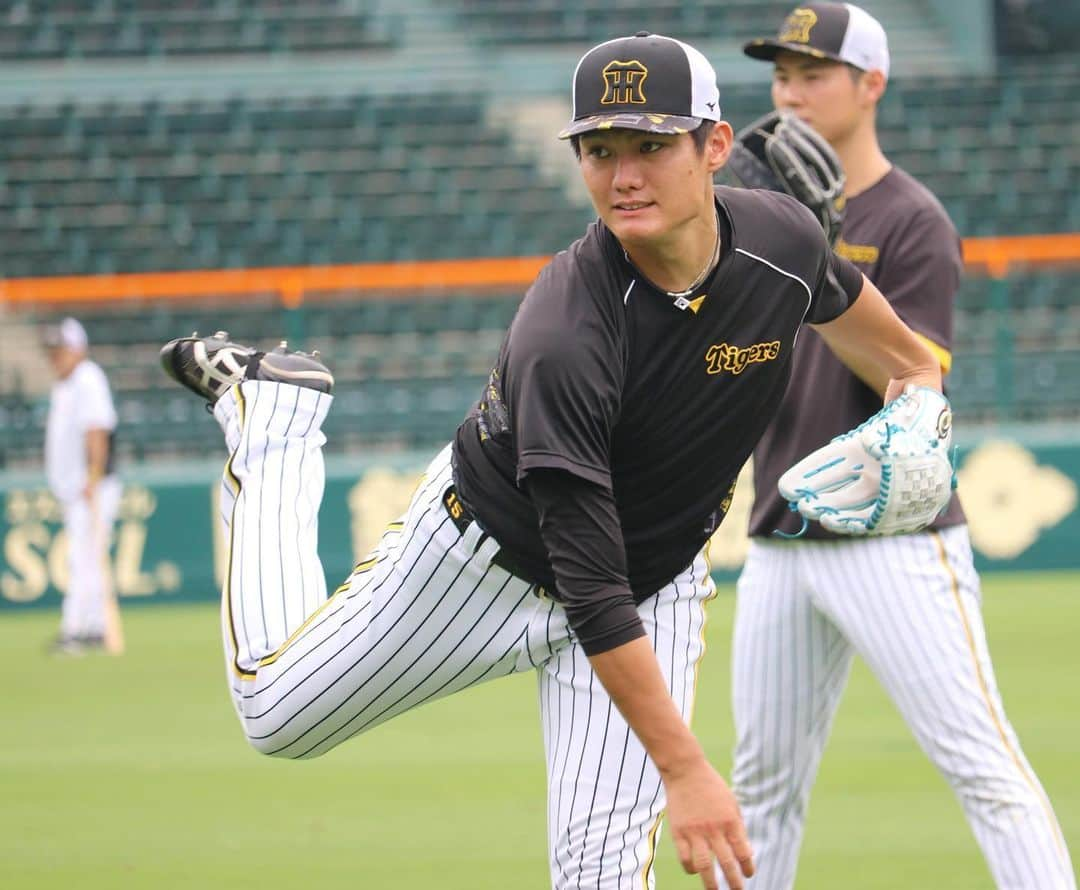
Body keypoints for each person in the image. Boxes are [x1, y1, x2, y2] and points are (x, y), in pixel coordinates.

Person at [160, 32, 946, 890]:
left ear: (715, 147)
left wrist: (920, 412)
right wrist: (685, 771)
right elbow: (591, 585)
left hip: (653, 581)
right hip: (479, 564)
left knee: (601, 878)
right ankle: (276, 414)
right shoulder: (566, 329)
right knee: (276, 717)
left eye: (651, 146)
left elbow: (904, 361)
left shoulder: (783, 244)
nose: (624, 176)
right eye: (600, 150)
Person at [731, 5, 1077, 888]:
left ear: (870, 84)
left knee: (983, 770)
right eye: (781, 76)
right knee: (761, 789)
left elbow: (912, 382)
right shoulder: (761, 221)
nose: (792, 93)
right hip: (778, 534)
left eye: (813, 74)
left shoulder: (912, 218)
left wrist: (816, 250)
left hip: (894, 539)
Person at [42, 317, 122, 655]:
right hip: (78, 488)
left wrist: (93, 476)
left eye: (60, 349)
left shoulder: (88, 378)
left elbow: (97, 430)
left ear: (77, 348)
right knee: (86, 557)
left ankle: (75, 629)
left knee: (83, 558)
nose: (54, 356)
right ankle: (94, 628)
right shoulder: (66, 383)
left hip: (92, 487)